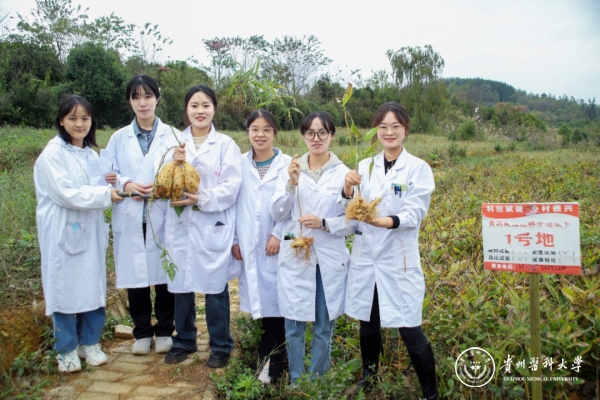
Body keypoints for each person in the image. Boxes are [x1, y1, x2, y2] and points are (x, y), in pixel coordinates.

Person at [343, 102, 438, 399]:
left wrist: (380, 221)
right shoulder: (364, 166)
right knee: (368, 323)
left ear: (405, 129)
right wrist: (347, 189)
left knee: (410, 327)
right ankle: (369, 377)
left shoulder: (418, 169)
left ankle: (430, 393)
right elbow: (350, 206)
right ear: (376, 131)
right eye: (383, 126)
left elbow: (414, 213)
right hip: (367, 258)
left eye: (396, 126)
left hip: (398, 259)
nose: (389, 132)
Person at [34, 95, 123, 373]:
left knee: (93, 286)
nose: (80, 124)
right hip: (63, 231)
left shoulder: (91, 155)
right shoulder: (52, 154)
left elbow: (96, 187)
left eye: (85, 118)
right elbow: (66, 193)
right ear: (62, 121)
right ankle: (66, 349)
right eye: (72, 118)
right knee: (65, 289)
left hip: (90, 231)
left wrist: (109, 183)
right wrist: (105, 194)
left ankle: (90, 343)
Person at [160, 84, 242, 367]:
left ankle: (220, 344)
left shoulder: (226, 145)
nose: (200, 111)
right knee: (181, 286)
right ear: (186, 110)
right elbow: (161, 180)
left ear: (214, 109)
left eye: (206, 105)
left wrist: (202, 198)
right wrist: (172, 162)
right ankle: (184, 340)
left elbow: (232, 186)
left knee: (215, 287)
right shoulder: (173, 143)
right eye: (194, 105)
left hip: (211, 223)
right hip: (180, 223)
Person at [270, 112, 350, 383]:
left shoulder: (344, 174)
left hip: (328, 258)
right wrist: (291, 184)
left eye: (323, 132)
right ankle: (296, 380)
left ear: (332, 136)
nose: (317, 138)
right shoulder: (291, 169)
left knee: (323, 326)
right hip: (296, 255)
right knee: (293, 326)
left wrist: (324, 223)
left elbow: (353, 222)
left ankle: (317, 382)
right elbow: (277, 214)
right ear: (303, 136)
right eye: (310, 133)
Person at [105, 75, 177, 355]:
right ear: (130, 102)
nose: (142, 103)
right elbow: (108, 173)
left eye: (148, 96)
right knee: (136, 275)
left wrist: (161, 187)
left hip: (162, 214)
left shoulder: (173, 135)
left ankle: (165, 330)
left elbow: (182, 171)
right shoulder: (118, 138)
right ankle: (142, 332)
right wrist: (126, 184)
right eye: (136, 97)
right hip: (132, 214)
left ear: (158, 98)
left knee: (164, 274)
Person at [232, 109, 291, 384]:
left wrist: (279, 234)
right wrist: (235, 240)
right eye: (255, 129)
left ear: (275, 133)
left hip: (276, 245)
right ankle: (271, 360)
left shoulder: (287, 164)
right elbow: (231, 205)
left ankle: (270, 363)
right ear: (248, 132)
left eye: (267, 129)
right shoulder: (238, 164)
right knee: (264, 303)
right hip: (248, 244)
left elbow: (294, 204)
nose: (260, 134)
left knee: (278, 302)